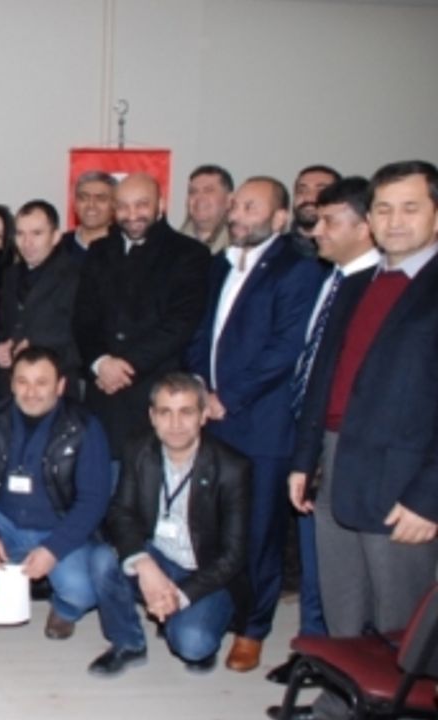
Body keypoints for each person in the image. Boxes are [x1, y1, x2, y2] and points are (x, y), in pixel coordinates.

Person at [290, 160, 438, 642]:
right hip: (335, 465)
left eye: (410, 208)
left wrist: (429, 498)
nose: (395, 221)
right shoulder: (354, 284)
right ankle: (342, 686)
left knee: (401, 627)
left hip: (403, 482)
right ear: (370, 218)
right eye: (384, 209)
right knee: (343, 611)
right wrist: (304, 459)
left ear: (436, 215)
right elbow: (323, 379)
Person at [184, 176, 323, 672]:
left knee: (260, 533)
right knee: (217, 529)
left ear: (280, 218)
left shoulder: (297, 270)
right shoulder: (222, 264)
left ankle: (253, 629)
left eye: (250, 207)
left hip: (262, 427)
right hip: (215, 420)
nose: (237, 215)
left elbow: (285, 349)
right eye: (236, 206)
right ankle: (223, 611)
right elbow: (202, 333)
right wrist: (200, 386)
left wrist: (230, 397)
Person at [266, 176, 379, 686]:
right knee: (318, 561)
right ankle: (316, 651)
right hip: (312, 437)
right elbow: (315, 370)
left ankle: (348, 669)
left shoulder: (376, 288)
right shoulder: (330, 281)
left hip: (355, 450)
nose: (316, 231)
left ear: (364, 226)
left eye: (331, 221)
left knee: (352, 575)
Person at [88, 374, 251, 677]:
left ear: (204, 415)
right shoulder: (138, 449)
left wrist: (179, 595)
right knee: (101, 559)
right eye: (165, 412)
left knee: (193, 645)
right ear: (152, 416)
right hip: (158, 557)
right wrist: (144, 563)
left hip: (204, 573)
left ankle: (190, 621)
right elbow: (120, 513)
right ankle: (128, 644)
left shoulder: (232, 468)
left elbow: (234, 555)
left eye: (186, 412)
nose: (175, 424)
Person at [0, 347, 112, 638]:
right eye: (22, 381)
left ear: (60, 386)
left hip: (61, 526)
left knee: (82, 589)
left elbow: (94, 500)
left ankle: (65, 609)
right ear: (12, 384)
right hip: (4, 523)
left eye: (41, 382)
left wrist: (53, 549)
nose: (31, 392)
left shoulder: (86, 427)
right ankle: (6, 595)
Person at [73, 173, 211, 468]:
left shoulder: (190, 254)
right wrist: (100, 362)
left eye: (141, 204)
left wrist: (124, 367)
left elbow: (180, 323)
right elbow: (83, 318)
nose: (132, 214)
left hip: (156, 395)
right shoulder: (99, 251)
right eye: (123, 206)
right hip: (102, 396)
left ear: (161, 205)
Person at [0, 201, 81, 403]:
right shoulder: (9, 275)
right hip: (9, 389)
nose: (27, 242)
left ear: (55, 236)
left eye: (37, 233)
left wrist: (35, 343)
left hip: (56, 389)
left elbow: (83, 334)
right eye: (20, 234)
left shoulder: (77, 276)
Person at [287, 164, 341, 258]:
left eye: (321, 191)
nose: (309, 198)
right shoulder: (272, 252)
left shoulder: (351, 252)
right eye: (301, 191)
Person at [62, 171, 116, 261]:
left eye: (101, 199)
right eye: (84, 198)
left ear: (115, 205)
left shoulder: (126, 248)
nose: (91, 205)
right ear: (75, 204)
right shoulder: (57, 247)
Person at [180, 164, 233, 254]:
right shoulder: (170, 247)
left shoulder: (240, 248)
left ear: (229, 200)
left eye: (208, 190)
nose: (199, 197)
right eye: (193, 192)